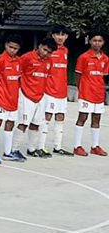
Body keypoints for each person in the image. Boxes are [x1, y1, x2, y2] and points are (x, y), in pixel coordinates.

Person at [16, 38, 56, 159]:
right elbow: (17, 74)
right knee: (23, 123)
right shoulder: (27, 57)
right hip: (26, 94)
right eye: (44, 50)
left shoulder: (49, 61)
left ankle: (31, 149)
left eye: (49, 52)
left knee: (36, 124)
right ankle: (14, 149)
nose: (46, 53)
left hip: (40, 96)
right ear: (39, 46)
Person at [0, 35, 22, 164]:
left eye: (15, 48)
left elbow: (19, 79)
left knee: (10, 124)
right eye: (10, 47)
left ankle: (7, 152)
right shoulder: (0, 60)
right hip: (1, 98)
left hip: (13, 99)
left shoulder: (19, 61)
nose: (12, 50)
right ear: (6, 45)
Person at [72, 31, 109, 156]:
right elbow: (78, 74)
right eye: (94, 40)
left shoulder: (105, 58)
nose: (97, 43)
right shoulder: (84, 57)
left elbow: (103, 76)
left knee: (97, 119)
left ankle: (95, 146)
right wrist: (81, 88)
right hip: (86, 93)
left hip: (98, 94)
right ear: (90, 41)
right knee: (82, 118)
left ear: (103, 42)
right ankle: (77, 146)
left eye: (99, 41)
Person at [43, 25, 71, 155]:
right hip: (49, 90)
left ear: (66, 37)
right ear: (53, 35)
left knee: (60, 116)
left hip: (62, 91)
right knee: (47, 116)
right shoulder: (48, 51)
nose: (60, 37)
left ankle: (57, 146)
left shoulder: (65, 50)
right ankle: (41, 145)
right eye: (58, 34)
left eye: (63, 35)